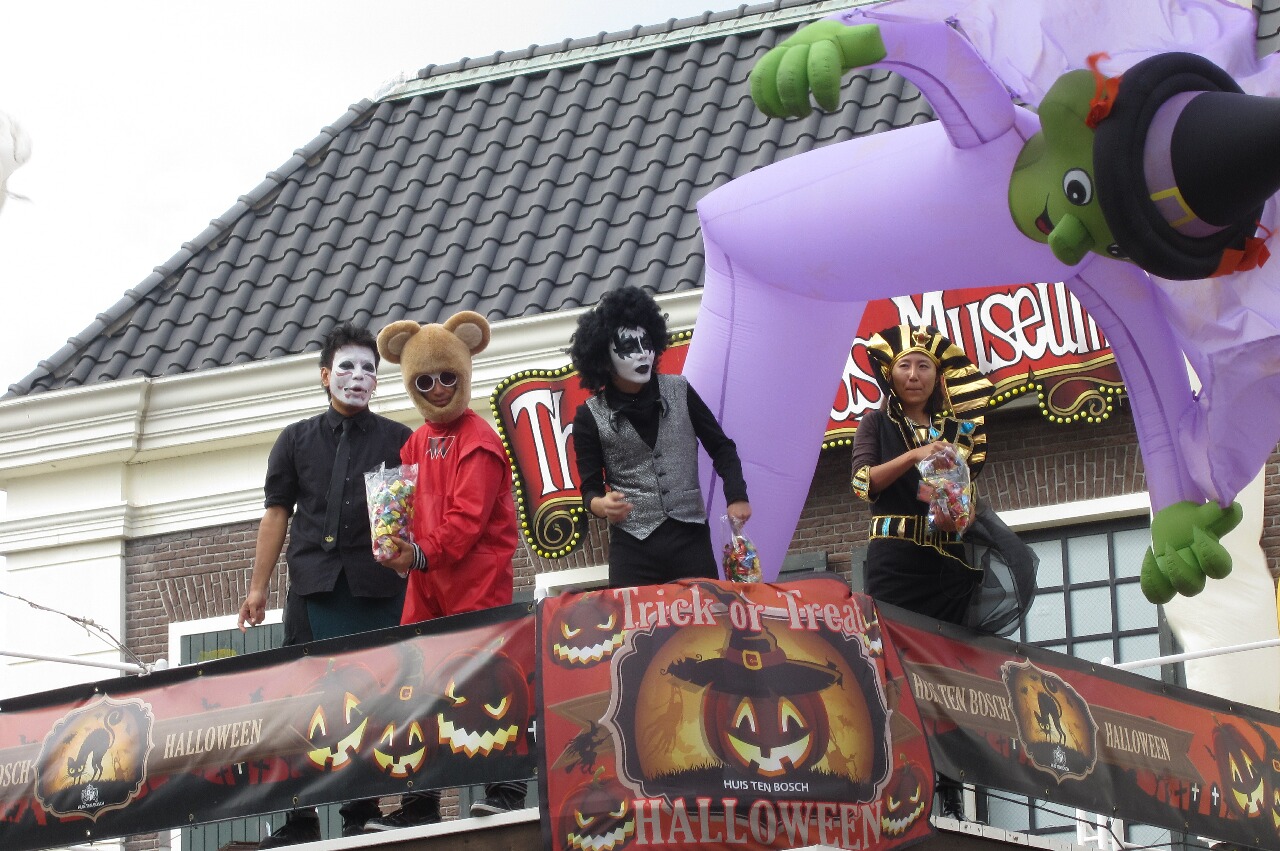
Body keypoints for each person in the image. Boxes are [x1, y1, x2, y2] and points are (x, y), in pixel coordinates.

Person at [237, 322, 413, 845]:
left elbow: (413, 513)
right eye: (347, 367)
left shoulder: (400, 440)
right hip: (312, 587)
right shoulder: (294, 439)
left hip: (378, 589)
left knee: (376, 695)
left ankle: (363, 810)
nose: (358, 377)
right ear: (324, 375)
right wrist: (257, 588)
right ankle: (301, 817)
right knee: (303, 698)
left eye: (368, 369)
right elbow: (276, 514)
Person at [372, 310, 525, 826]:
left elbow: (466, 521)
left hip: (475, 583)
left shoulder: (480, 440)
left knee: (484, 685)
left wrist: (416, 553)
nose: (437, 389)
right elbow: (404, 508)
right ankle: (420, 803)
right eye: (425, 381)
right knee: (416, 689)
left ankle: (505, 789)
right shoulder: (416, 442)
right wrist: (394, 542)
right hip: (427, 584)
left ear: (463, 374)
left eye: (447, 378)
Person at [850, 323, 993, 821]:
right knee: (898, 672)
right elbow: (863, 484)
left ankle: (950, 786)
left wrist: (959, 510)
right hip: (894, 562)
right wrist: (915, 454)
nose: (914, 374)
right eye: (905, 365)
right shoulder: (876, 424)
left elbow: (964, 502)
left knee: (947, 674)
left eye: (924, 366)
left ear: (938, 376)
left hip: (945, 562)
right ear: (890, 374)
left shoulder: (957, 433)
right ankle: (904, 784)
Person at [569, 286, 751, 588]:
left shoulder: (680, 390)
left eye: (647, 343)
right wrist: (601, 505)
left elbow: (722, 448)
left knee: (705, 617)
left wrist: (737, 495)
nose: (643, 353)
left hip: (691, 542)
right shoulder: (589, 416)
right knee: (633, 621)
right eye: (629, 347)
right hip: (633, 549)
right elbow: (590, 489)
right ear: (603, 358)